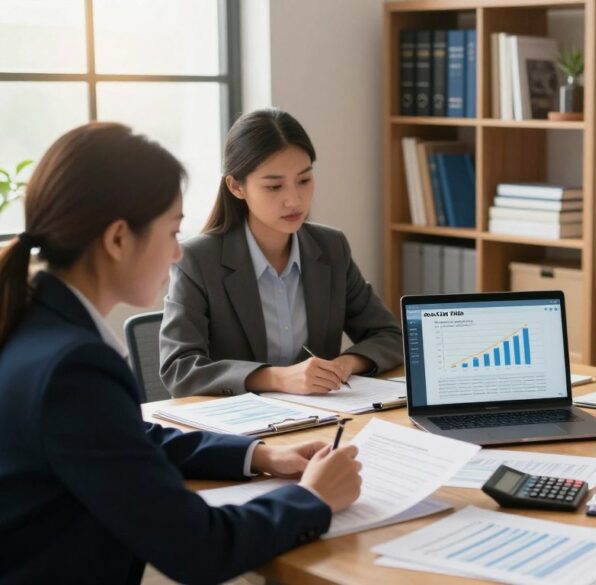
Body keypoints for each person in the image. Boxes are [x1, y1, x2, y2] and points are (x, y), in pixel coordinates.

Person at [0, 123, 363, 584]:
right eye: (172, 232)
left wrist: (260, 456)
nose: (176, 254)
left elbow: (127, 440)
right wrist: (313, 499)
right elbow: (200, 547)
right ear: (117, 239)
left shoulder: (33, 324)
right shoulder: (73, 367)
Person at [160, 109, 402, 397]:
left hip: (321, 419)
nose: (294, 200)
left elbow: (390, 336)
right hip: (240, 429)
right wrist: (276, 378)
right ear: (237, 187)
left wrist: (342, 365)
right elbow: (180, 368)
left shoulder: (331, 248)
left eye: (304, 180)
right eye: (274, 186)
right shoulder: (197, 260)